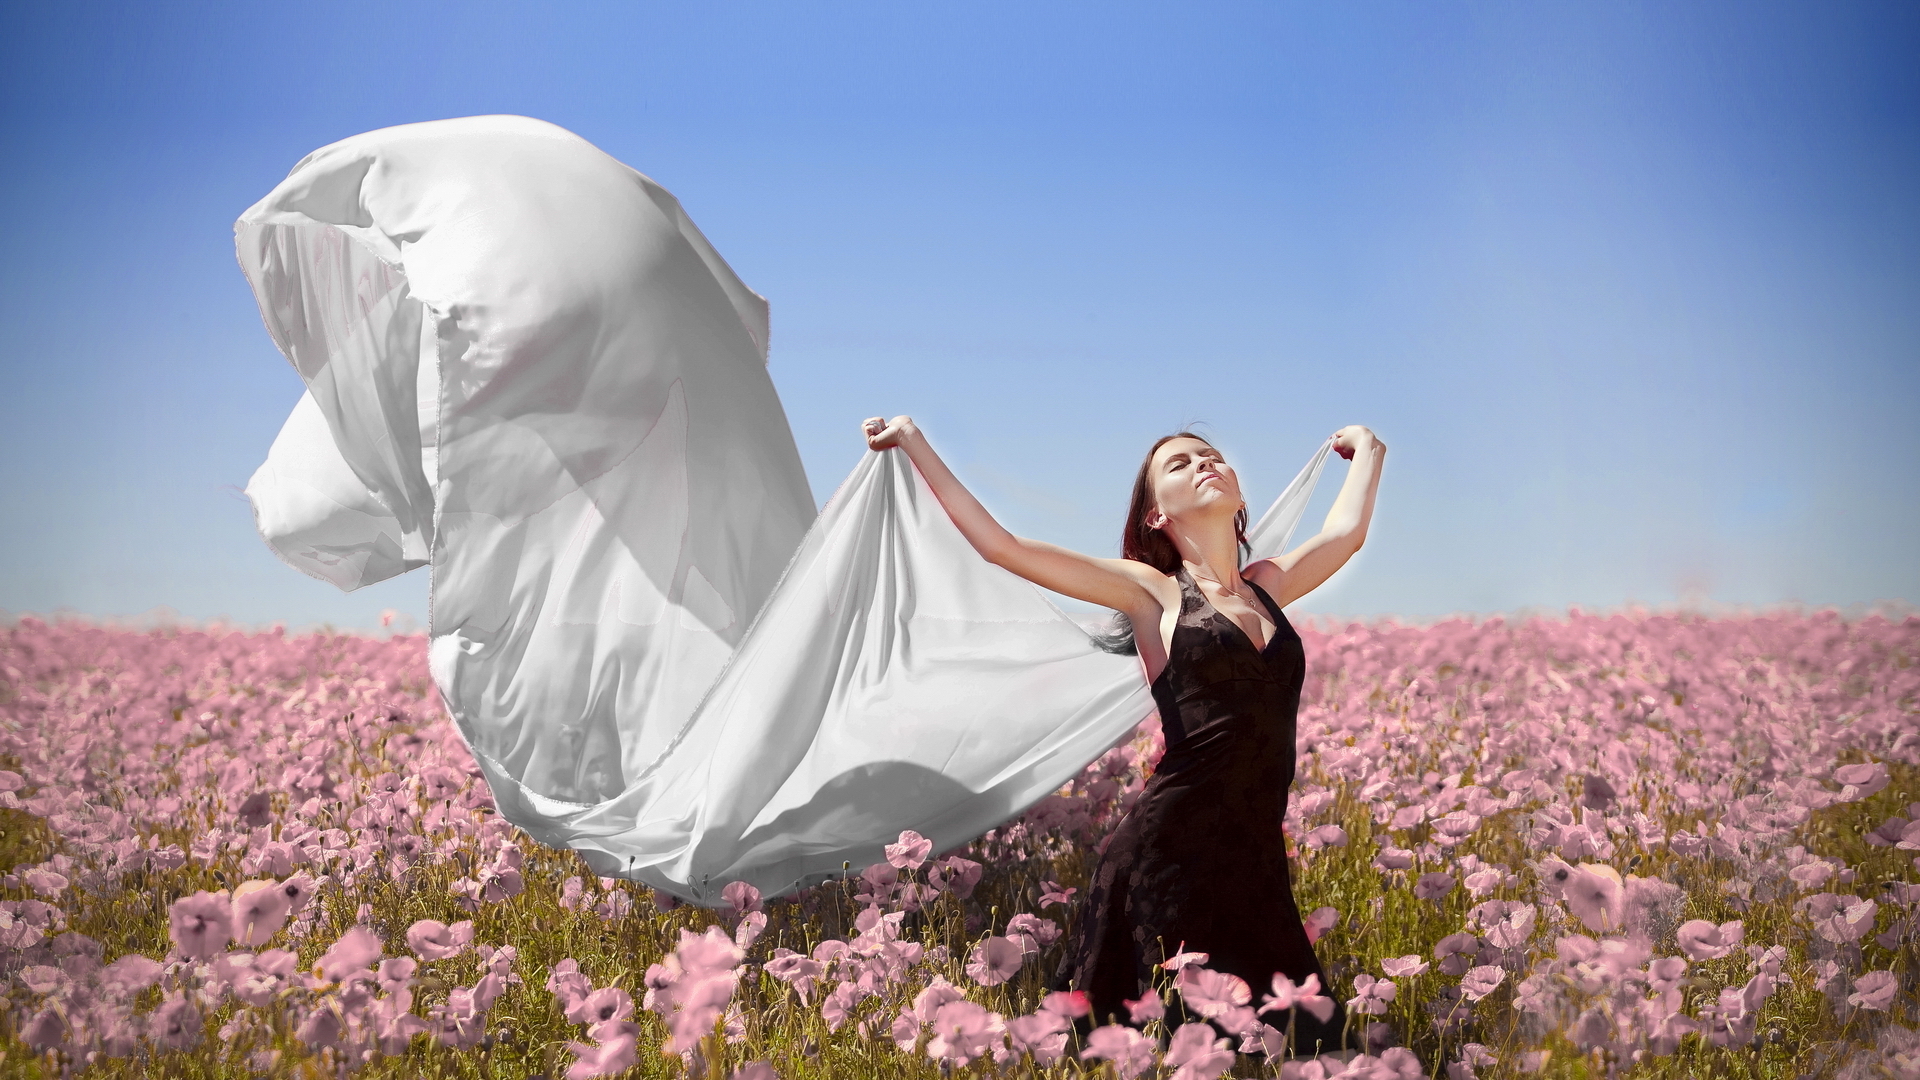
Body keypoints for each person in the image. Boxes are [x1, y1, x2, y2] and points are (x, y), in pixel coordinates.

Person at [862, 415, 1386, 1058]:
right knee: (1160, 1046)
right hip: (1167, 854)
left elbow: (1348, 534)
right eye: (1180, 464)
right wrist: (915, 440)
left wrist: (1368, 449)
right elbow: (1003, 547)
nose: (1204, 464)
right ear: (1155, 517)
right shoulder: (1151, 594)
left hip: (1254, 857)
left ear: (1240, 497)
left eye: (1213, 456)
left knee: (1293, 1046)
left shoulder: (1269, 587)